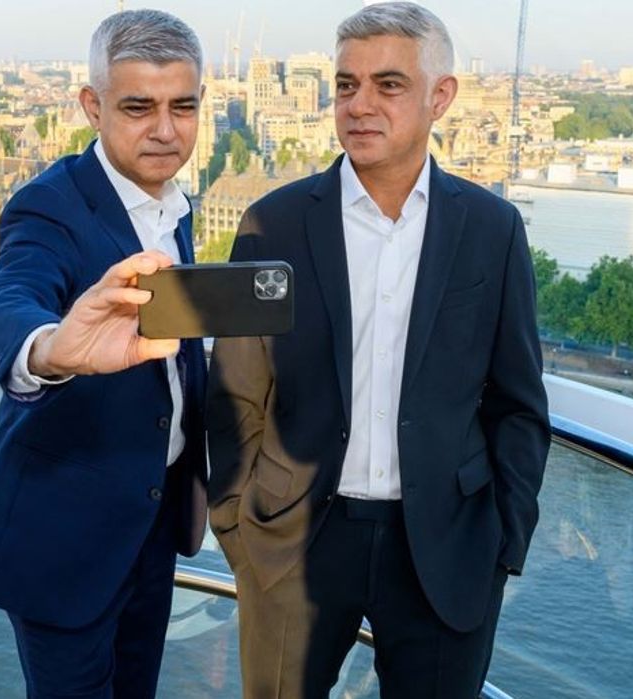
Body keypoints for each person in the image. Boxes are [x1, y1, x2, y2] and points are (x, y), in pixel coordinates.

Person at [205, 3, 551, 697]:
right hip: (294, 542)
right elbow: (235, 391)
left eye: (387, 85)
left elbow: (518, 403)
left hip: (444, 546)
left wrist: (501, 543)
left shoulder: (491, 230)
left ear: (439, 97)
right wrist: (238, 530)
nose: (358, 105)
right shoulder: (271, 223)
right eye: (344, 85)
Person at [0, 10, 208, 698]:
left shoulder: (174, 204)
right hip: (64, 538)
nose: (165, 129)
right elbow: (0, 303)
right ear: (91, 106)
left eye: (183, 106)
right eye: (137, 107)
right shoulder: (49, 206)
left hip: (149, 520)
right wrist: (52, 348)